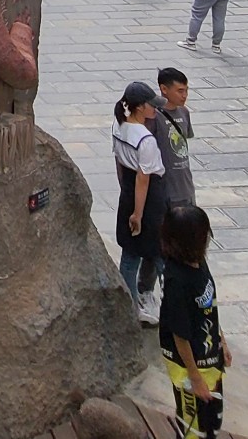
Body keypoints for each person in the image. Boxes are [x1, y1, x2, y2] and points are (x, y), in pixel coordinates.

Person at [158, 206, 229, 439]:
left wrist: (222, 342)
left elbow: (209, 307)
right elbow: (180, 335)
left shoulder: (199, 263)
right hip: (189, 365)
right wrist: (195, 377)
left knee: (213, 421)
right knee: (194, 430)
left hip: (209, 356)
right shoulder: (176, 281)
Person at [112, 80, 166, 326]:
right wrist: (138, 213)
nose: (154, 109)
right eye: (151, 105)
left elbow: (120, 165)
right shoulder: (145, 139)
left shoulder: (118, 126)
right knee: (161, 254)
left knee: (130, 256)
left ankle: (129, 307)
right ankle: (175, 304)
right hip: (149, 200)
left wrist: (127, 197)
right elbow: (144, 179)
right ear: (139, 107)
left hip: (127, 191)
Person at [156, 67, 196, 212]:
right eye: (180, 91)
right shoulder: (154, 116)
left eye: (186, 90)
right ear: (164, 89)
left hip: (186, 187)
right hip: (166, 190)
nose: (184, 95)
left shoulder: (184, 112)